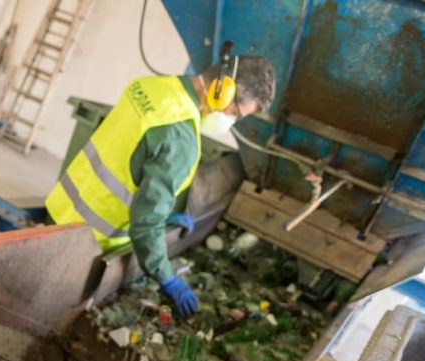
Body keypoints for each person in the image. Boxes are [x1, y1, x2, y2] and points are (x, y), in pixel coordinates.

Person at [45, 50, 275, 318]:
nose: (232, 120)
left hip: (62, 207)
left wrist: (166, 211)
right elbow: (146, 224)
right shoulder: (182, 138)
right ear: (221, 91)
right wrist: (167, 278)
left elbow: (131, 158)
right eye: (236, 111)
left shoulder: (150, 86)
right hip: (87, 240)